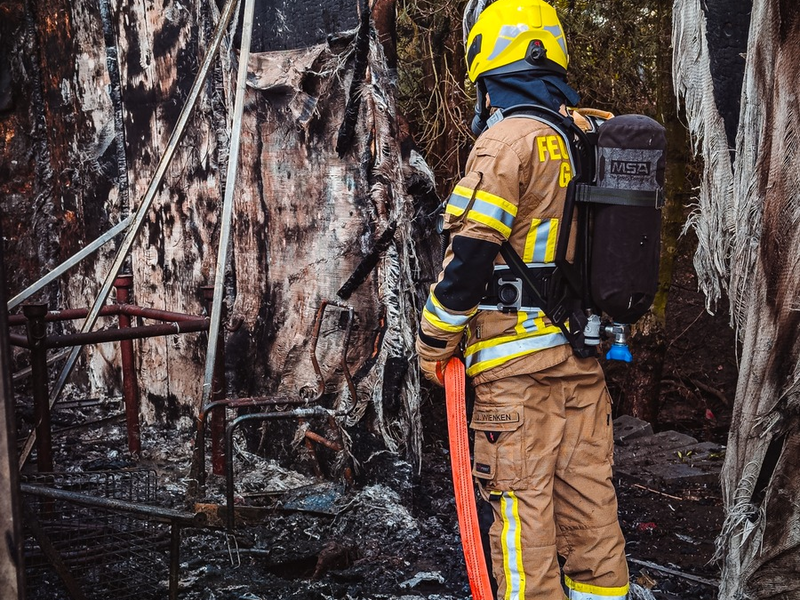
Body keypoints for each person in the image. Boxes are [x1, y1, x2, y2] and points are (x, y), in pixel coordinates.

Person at [415, 1, 629, 598]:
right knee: (593, 523)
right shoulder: (590, 135)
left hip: (515, 374)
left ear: (487, 61)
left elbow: (469, 262)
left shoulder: (507, 141)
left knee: (522, 529)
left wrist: (433, 344)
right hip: (583, 360)